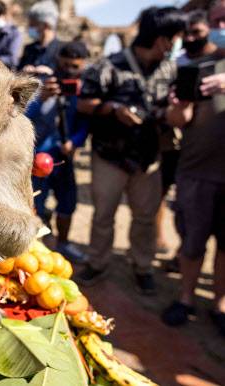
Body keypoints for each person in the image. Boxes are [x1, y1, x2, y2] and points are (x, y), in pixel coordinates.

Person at [76, 7, 186, 295]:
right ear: (161, 38)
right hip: (109, 156)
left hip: (148, 159)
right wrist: (113, 109)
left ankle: (143, 267)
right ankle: (97, 263)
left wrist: (167, 113)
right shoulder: (109, 66)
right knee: (103, 216)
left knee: (145, 218)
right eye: (174, 37)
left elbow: (175, 109)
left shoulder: (170, 70)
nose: (176, 44)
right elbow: (84, 102)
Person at [161, 0, 225, 337]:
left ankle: (220, 304)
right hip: (197, 169)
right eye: (217, 21)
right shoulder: (194, 65)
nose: (221, 27)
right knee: (192, 242)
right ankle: (186, 298)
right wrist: (180, 108)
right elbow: (179, 121)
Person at [26, 42, 89, 263]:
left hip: (64, 157)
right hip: (37, 160)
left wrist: (75, 142)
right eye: (65, 65)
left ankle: (63, 244)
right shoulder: (40, 86)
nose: (69, 71)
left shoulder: (83, 89)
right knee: (35, 206)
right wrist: (41, 98)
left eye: (75, 66)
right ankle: (37, 250)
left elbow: (84, 123)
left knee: (67, 203)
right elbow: (22, 118)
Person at [18, 0, 62, 74]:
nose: (29, 28)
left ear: (46, 25)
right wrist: (23, 71)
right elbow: (17, 73)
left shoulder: (61, 50)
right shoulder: (29, 49)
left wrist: (50, 73)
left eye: (33, 24)